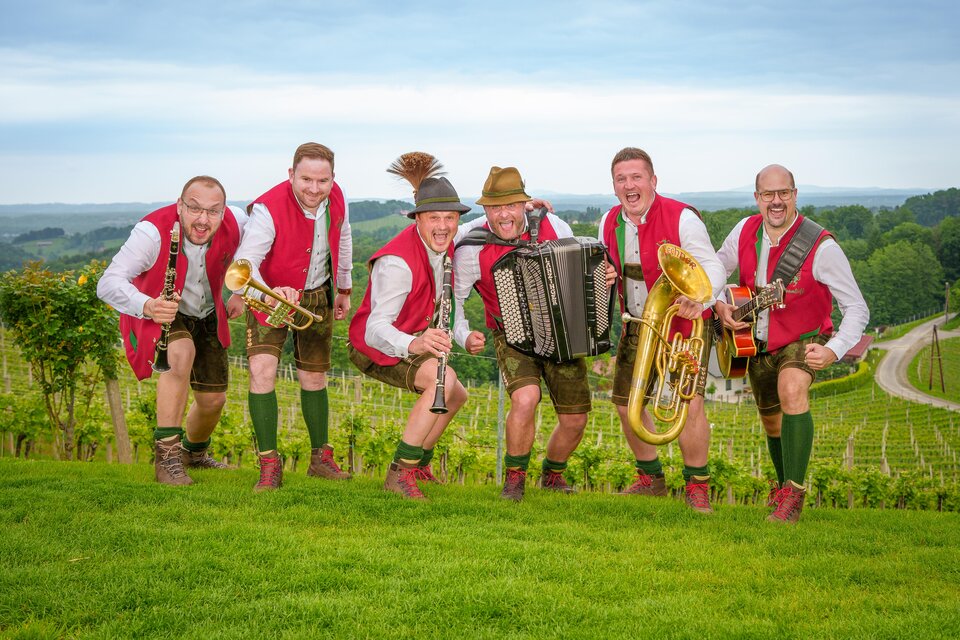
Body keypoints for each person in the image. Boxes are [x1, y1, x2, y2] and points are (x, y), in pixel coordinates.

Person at [715, 164, 868, 523]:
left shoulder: (821, 245)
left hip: (803, 337)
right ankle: (783, 487)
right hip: (755, 341)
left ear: (795, 195)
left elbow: (857, 308)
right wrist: (719, 302)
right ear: (757, 198)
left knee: (792, 388)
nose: (776, 201)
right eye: (768, 194)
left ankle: (794, 496)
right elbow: (716, 270)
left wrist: (834, 349)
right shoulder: (743, 230)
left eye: (784, 192)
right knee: (771, 423)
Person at [598, 147, 726, 513]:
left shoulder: (682, 218)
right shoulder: (609, 222)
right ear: (614, 186)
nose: (629, 185)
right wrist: (606, 276)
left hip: (682, 323)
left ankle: (697, 486)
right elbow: (609, 270)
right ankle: (651, 478)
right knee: (625, 406)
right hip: (638, 325)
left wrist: (701, 301)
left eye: (636, 177)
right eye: (621, 179)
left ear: (653, 181)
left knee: (690, 406)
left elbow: (713, 266)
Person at [453, 166, 590, 501]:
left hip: (561, 331)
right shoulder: (470, 245)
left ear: (524, 204)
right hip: (509, 334)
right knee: (525, 398)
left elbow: (580, 268)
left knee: (576, 419)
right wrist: (463, 334)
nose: (504, 214)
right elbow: (454, 298)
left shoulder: (554, 226)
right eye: (495, 207)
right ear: (484, 210)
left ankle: (553, 473)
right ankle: (514, 480)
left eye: (511, 205)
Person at [98, 176, 246, 485]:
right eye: (194, 209)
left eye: (213, 211)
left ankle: (194, 454)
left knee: (213, 402)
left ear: (222, 211)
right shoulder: (150, 232)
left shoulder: (237, 219)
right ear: (180, 205)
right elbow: (108, 283)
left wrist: (242, 293)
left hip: (208, 313)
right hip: (159, 308)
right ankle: (166, 459)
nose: (203, 219)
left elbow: (256, 253)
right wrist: (148, 305)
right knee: (180, 353)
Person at [348, 153, 470, 499]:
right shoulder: (397, 263)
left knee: (457, 394)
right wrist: (414, 344)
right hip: (374, 346)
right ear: (417, 219)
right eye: (434, 218)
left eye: (450, 218)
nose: (444, 226)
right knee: (440, 381)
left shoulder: (443, 241)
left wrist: (526, 210)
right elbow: (374, 329)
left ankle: (418, 464)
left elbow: (478, 228)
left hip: (409, 340)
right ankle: (399, 474)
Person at [233, 142, 353, 491]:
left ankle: (320, 460)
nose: (314, 189)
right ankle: (269, 465)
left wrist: (343, 288)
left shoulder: (338, 197)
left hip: (318, 293)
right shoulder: (268, 209)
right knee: (262, 372)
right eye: (306, 180)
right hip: (268, 293)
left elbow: (342, 239)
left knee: (314, 377)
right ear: (291, 175)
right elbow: (244, 266)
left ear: (332, 178)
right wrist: (270, 292)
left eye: (323, 181)